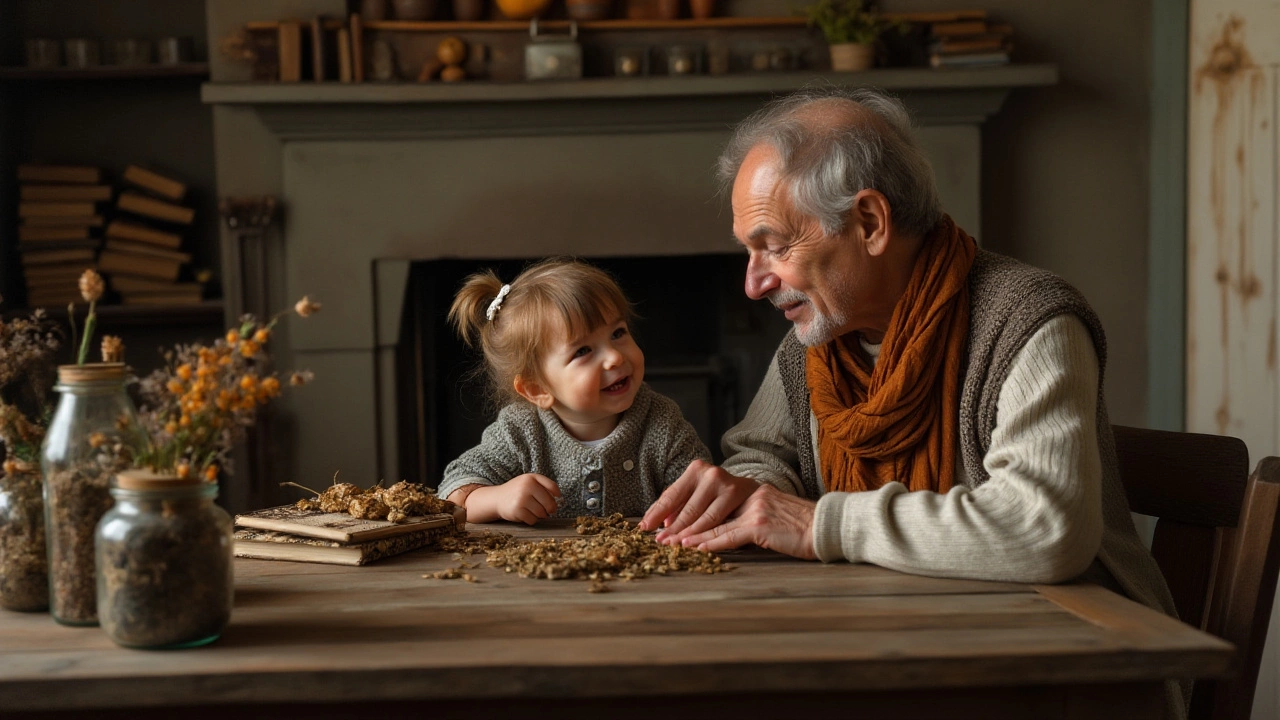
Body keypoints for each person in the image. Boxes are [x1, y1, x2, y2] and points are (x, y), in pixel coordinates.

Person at [637, 87, 1184, 712]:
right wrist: (752, 493)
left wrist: (819, 523)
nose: (754, 282)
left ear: (870, 223)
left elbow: (1045, 529)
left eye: (776, 245)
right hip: (898, 647)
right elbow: (760, 456)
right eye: (749, 249)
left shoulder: (1029, 321)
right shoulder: (816, 344)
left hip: (1074, 675)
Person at [438, 258, 712, 525]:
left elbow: (704, 493)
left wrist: (687, 506)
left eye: (617, 333)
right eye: (583, 351)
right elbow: (452, 495)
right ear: (537, 389)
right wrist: (497, 499)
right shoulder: (520, 431)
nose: (614, 358)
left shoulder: (662, 423)